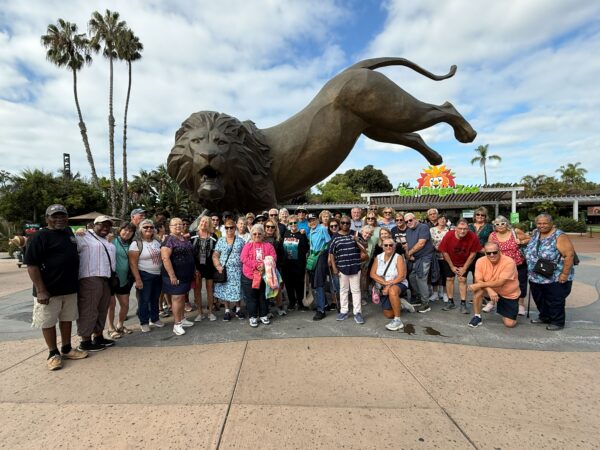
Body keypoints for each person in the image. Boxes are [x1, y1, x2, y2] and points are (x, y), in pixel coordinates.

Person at [24, 204, 88, 371]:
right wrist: (41, 290)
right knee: (48, 322)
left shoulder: (68, 232)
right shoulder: (39, 237)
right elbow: (31, 265)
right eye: (55, 216)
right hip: (48, 290)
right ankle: (53, 354)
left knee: (67, 319)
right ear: (47, 218)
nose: (59, 219)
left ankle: (66, 348)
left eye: (62, 216)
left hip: (69, 288)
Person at [525, 213, 575, 331]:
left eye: (545, 223)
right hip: (536, 276)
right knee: (540, 299)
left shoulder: (559, 235)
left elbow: (569, 255)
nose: (542, 225)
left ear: (551, 223)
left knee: (555, 300)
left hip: (554, 276)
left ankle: (557, 322)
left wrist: (564, 274)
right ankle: (545, 317)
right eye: (539, 223)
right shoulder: (536, 233)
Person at [75, 215, 117, 352]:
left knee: (101, 309)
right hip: (90, 277)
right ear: (94, 225)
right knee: (89, 309)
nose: (105, 228)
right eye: (102, 225)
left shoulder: (106, 240)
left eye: (108, 226)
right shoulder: (83, 236)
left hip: (106, 278)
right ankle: (85, 341)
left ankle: (98, 336)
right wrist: (78, 231)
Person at [467, 242, 520, 328]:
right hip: (490, 290)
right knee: (478, 290)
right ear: (485, 253)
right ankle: (477, 316)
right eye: (489, 253)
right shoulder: (480, 261)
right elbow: (479, 279)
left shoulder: (509, 262)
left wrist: (478, 285)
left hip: (508, 293)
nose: (492, 255)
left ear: (500, 251)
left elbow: (500, 282)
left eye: (495, 252)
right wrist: (489, 290)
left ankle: (503, 309)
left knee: (510, 324)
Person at [487, 215, 531, 316]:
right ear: (494, 226)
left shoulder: (515, 232)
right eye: (497, 224)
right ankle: (493, 302)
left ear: (507, 224)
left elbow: (530, 238)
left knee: (520, 284)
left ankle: (521, 305)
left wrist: (522, 241)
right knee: (498, 283)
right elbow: (489, 247)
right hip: (501, 265)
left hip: (518, 264)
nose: (500, 226)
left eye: (502, 223)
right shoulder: (492, 235)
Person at [438, 218, 481, 314]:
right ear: (455, 228)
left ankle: (463, 303)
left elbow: (473, 254)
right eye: (460, 228)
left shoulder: (473, 236)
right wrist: (452, 267)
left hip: (465, 261)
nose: (462, 231)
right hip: (450, 260)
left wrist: (464, 268)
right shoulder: (449, 235)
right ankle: (450, 301)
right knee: (449, 279)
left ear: (468, 229)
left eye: (465, 229)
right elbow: (444, 252)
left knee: (462, 279)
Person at [161, 218, 196, 335]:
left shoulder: (183, 238)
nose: (178, 226)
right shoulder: (168, 240)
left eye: (180, 224)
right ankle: (177, 324)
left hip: (185, 274)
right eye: (175, 224)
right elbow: (165, 258)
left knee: (182, 297)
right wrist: (172, 275)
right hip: (175, 275)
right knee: (177, 298)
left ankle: (182, 319)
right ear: (170, 227)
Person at [129, 219, 164, 333]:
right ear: (140, 229)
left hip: (157, 275)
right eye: (145, 227)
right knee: (144, 300)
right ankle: (144, 322)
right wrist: (138, 279)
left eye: (151, 227)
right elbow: (133, 264)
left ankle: (155, 318)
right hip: (144, 275)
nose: (149, 229)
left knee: (155, 298)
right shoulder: (136, 244)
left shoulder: (157, 241)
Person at [240, 224, 277, 327]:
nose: (257, 235)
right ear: (251, 235)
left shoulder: (268, 246)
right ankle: (253, 316)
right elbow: (243, 258)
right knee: (251, 297)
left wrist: (264, 265)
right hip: (249, 276)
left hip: (264, 276)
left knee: (263, 296)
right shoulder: (247, 246)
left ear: (263, 234)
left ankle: (263, 315)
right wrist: (256, 265)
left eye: (259, 233)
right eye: (254, 234)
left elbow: (273, 257)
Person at [329, 217, 364, 324]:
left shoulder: (356, 233)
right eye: (343, 223)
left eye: (347, 223)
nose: (345, 224)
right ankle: (344, 311)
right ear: (340, 224)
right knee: (343, 290)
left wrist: (358, 240)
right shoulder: (335, 236)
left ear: (350, 224)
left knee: (356, 290)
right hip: (342, 268)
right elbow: (331, 253)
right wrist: (334, 268)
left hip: (355, 267)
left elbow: (365, 246)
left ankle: (357, 313)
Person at [370, 237, 409, 331]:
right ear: (382, 247)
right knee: (388, 314)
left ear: (394, 246)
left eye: (391, 245)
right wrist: (384, 283)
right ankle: (401, 304)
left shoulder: (398, 257)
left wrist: (388, 285)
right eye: (386, 245)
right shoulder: (378, 257)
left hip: (398, 283)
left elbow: (401, 276)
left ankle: (398, 320)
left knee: (392, 291)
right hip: (384, 285)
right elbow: (372, 274)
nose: (388, 247)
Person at [106, 222, 137, 339]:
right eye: (125, 229)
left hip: (124, 279)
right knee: (111, 305)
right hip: (111, 279)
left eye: (130, 231)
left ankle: (120, 325)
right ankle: (110, 328)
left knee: (125, 305)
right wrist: (81, 232)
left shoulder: (132, 244)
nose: (127, 232)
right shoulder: (111, 240)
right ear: (120, 229)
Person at [213, 218, 246, 321]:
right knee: (225, 290)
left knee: (237, 290)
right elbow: (215, 255)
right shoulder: (221, 240)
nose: (229, 229)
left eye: (231, 227)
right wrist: (218, 266)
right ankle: (227, 310)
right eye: (227, 228)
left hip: (237, 270)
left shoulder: (241, 241)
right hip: (224, 270)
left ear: (235, 228)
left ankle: (238, 309)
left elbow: (245, 255)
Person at [403, 212, 435, 313]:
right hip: (415, 258)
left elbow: (421, 243)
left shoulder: (423, 227)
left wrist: (410, 253)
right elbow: (408, 245)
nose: (408, 222)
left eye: (410, 220)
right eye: (406, 221)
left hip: (424, 257)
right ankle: (419, 297)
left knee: (421, 278)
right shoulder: (408, 230)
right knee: (412, 277)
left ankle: (425, 303)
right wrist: (409, 253)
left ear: (415, 219)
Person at [191, 216, 219, 321]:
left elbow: (217, 252)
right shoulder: (193, 235)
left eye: (206, 222)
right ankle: (200, 313)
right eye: (202, 221)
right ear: (199, 222)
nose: (204, 223)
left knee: (210, 289)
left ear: (209, 224)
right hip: (197, 267)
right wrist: (194, 268)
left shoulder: (213, 236)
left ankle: (210, 312)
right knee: (197, 290)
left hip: (209, 266)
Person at [281, 215, 309, 311]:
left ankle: (300, 303)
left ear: (298, 223)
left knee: (299, 284)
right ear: (288, 224)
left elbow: (306, 248)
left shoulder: (301, 234)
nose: (293, 225)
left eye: (295, 223)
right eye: (291, 223)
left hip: (298, 264)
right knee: (289, 284)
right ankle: (292, 302)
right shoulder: (286, 233)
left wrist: (303, 235)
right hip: (287, 264)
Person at [307, 213, 332, 320]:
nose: (312, 222)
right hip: (313, 257)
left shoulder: (322, 229)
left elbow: (329, 243)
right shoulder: (311, 231)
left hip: (321, 256)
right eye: (310, 220)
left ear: (317, 220)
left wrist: (327, 256)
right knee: (314, 282)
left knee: (319, 283)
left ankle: (321, 310)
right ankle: (324, 304)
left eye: (314, 220)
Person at [467, 206, 493, 280]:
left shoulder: (490, 227)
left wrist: (487, 249)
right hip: (470, 254)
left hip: (483, 254)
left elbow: (493, 239)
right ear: (475, 216)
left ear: (485, 216)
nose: (480, 216)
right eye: (478, 214)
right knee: (470, 275)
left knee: (481, 276)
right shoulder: (469, 226)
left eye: (482, 215)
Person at [429, 214, 450, 302]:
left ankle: (445, 293)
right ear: (437, 220)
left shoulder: (449, 230)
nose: (442, 220)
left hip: (445, 257)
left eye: (444, 219)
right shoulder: (432, 230)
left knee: (445, 275)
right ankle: (435, 293)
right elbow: (429, 241)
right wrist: (435, 247)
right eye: (440, 219)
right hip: (434, 256)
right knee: (434, 274)